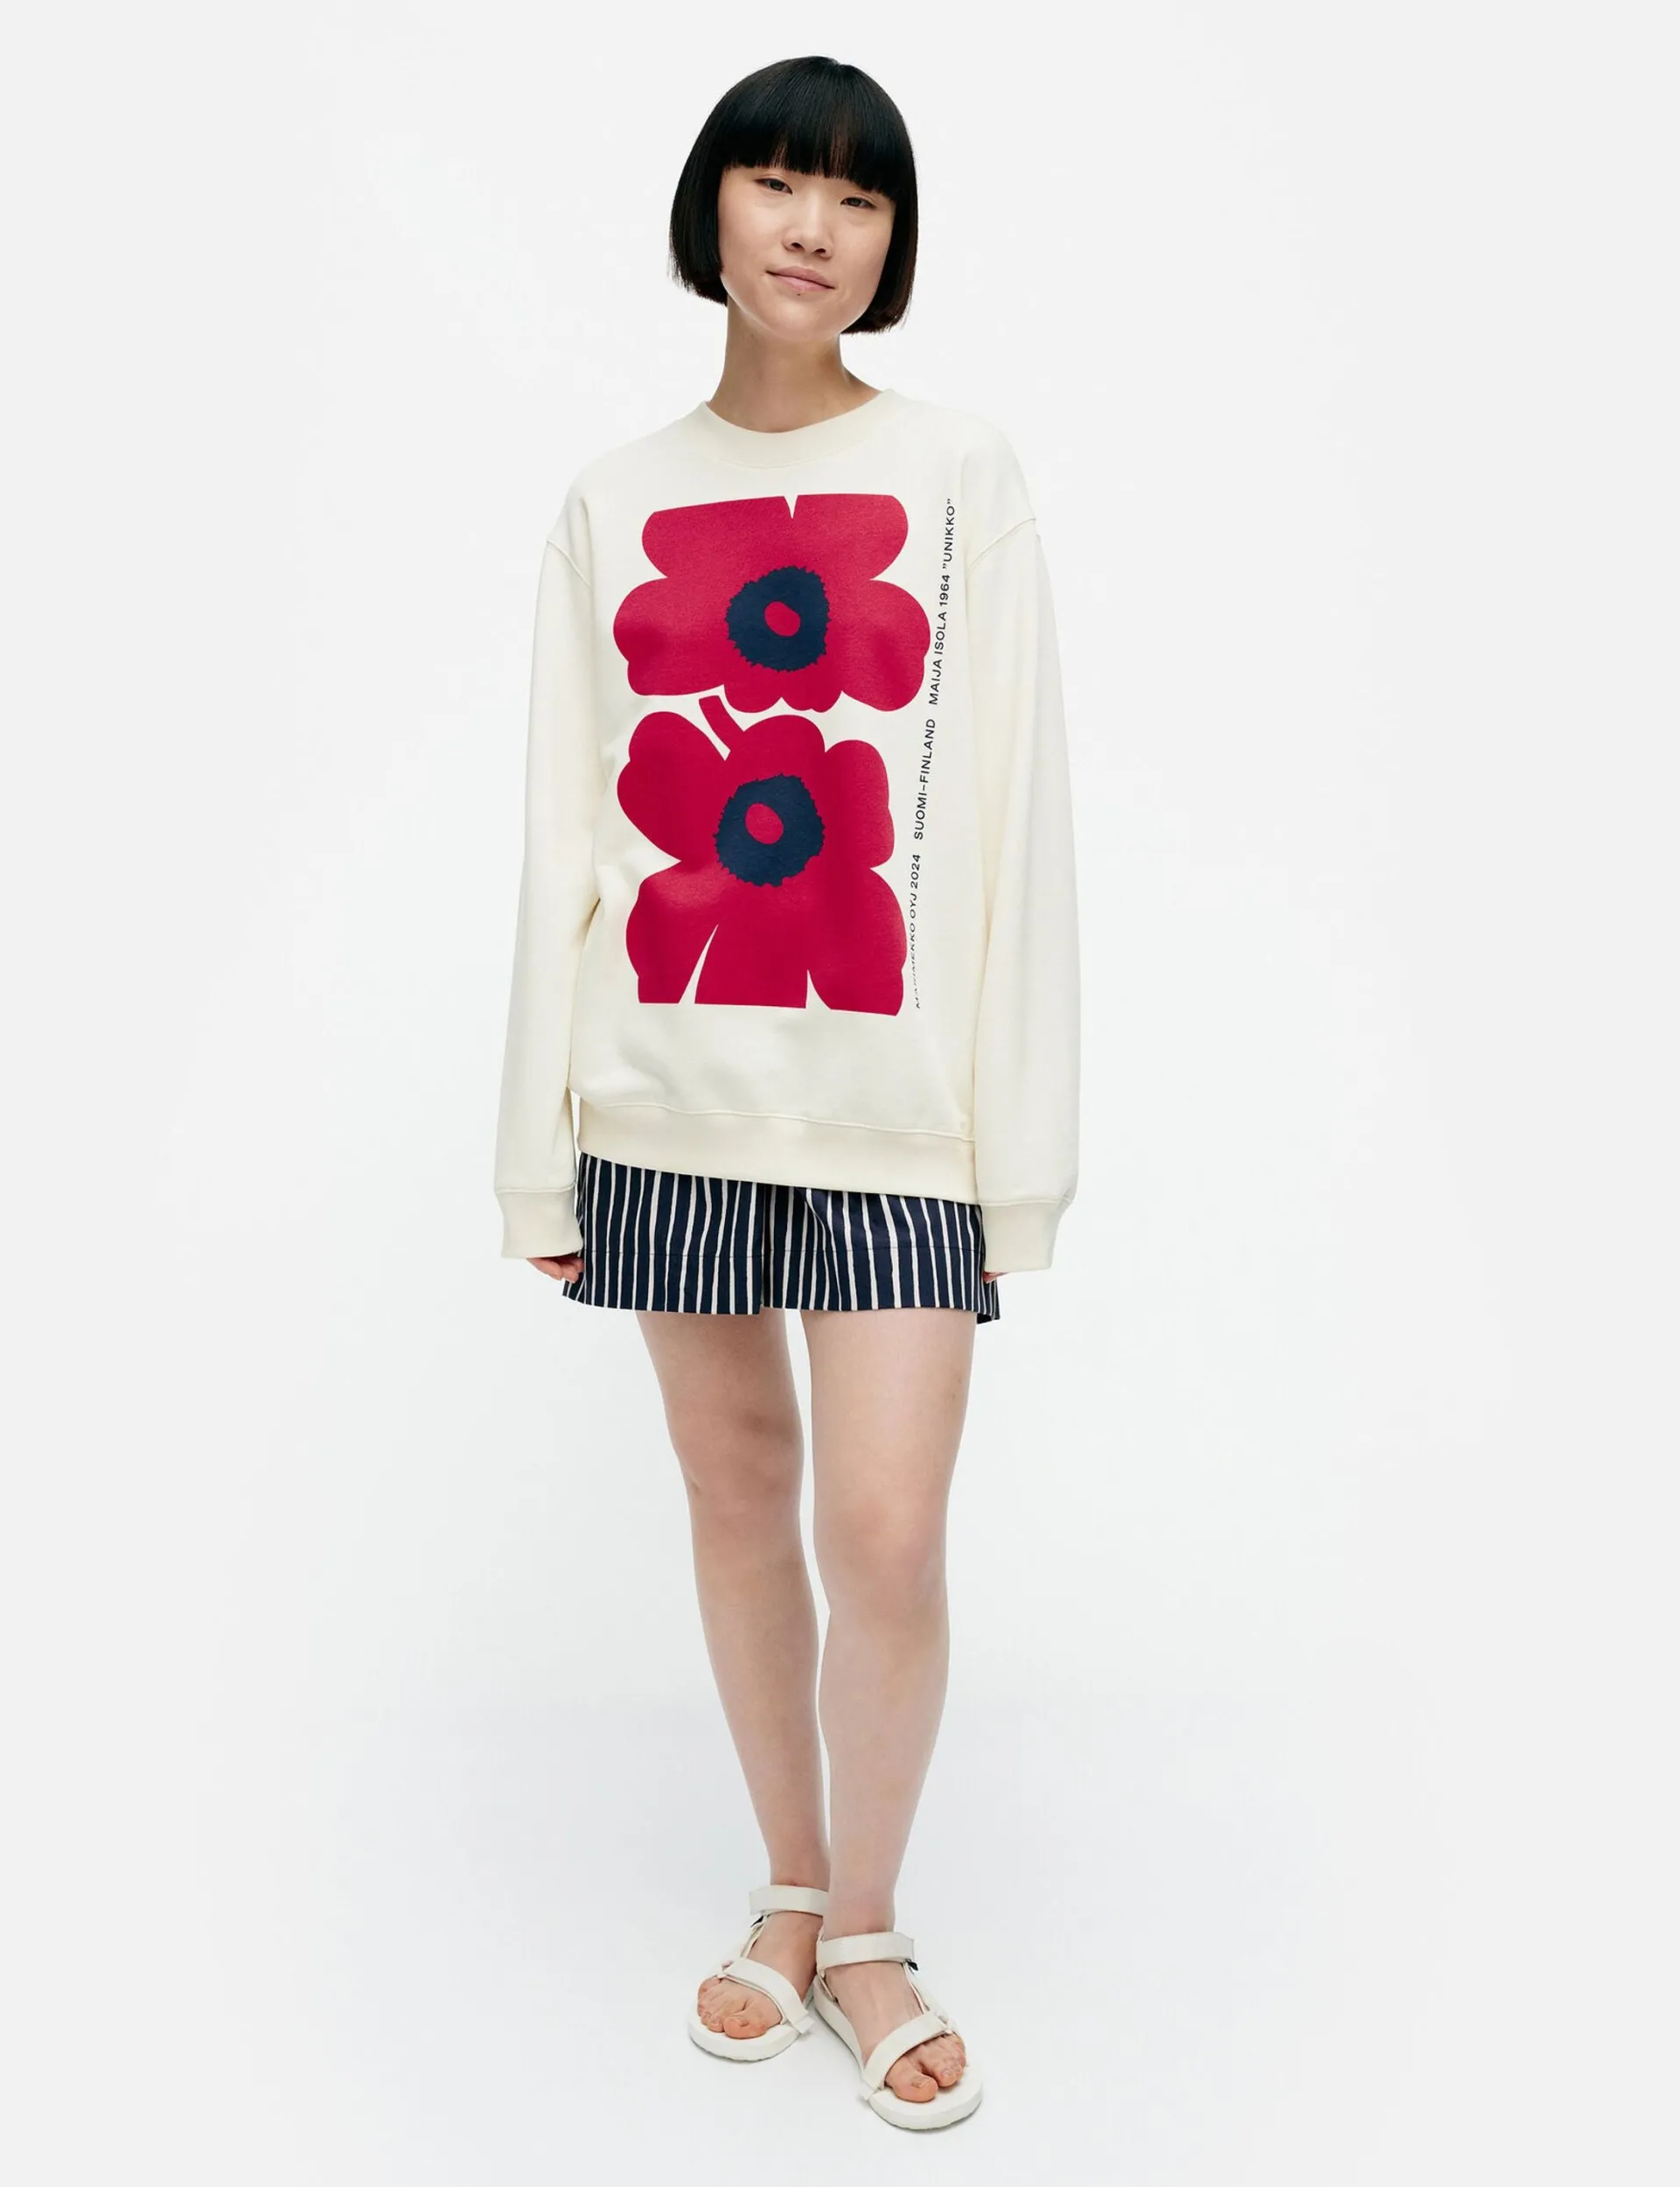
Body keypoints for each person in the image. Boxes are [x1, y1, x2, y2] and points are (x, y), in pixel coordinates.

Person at [491, 53, 1080, 2130]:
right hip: (660, 1090)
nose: (813, 226)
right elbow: (565, 833)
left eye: (857, 196)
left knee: (885, 1528)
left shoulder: (959, 472)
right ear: (712, 210)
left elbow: (1015, 825)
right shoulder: (611, 500)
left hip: (900, 1108)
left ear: (892, 242)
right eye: (773, 180)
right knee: (739, 1496)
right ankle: (794, 1881)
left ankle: (872, 1926)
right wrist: (535, 1151)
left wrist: (1020, 1152)